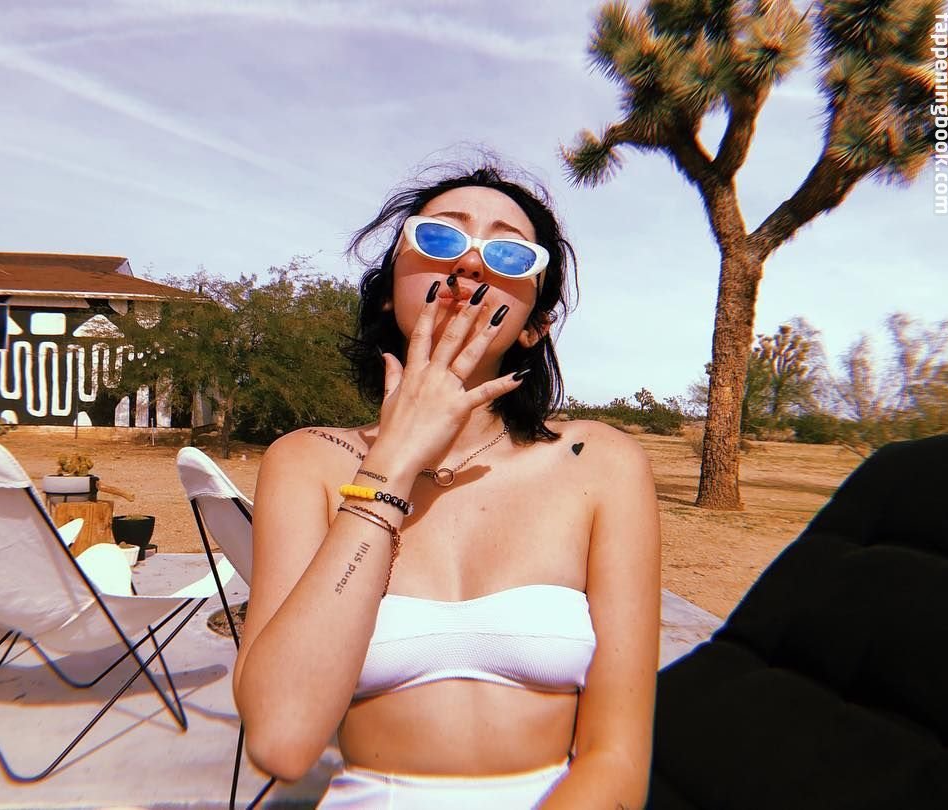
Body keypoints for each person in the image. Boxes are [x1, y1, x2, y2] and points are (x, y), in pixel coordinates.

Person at [233, 162, 660, 809]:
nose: (470, 263)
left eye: (509, 253)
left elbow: (617, 761)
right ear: (388, 291)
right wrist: (391, 464)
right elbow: (281, 740)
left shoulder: (599, 463)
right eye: (439, 238)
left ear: (534, 324)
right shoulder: (308, 462)